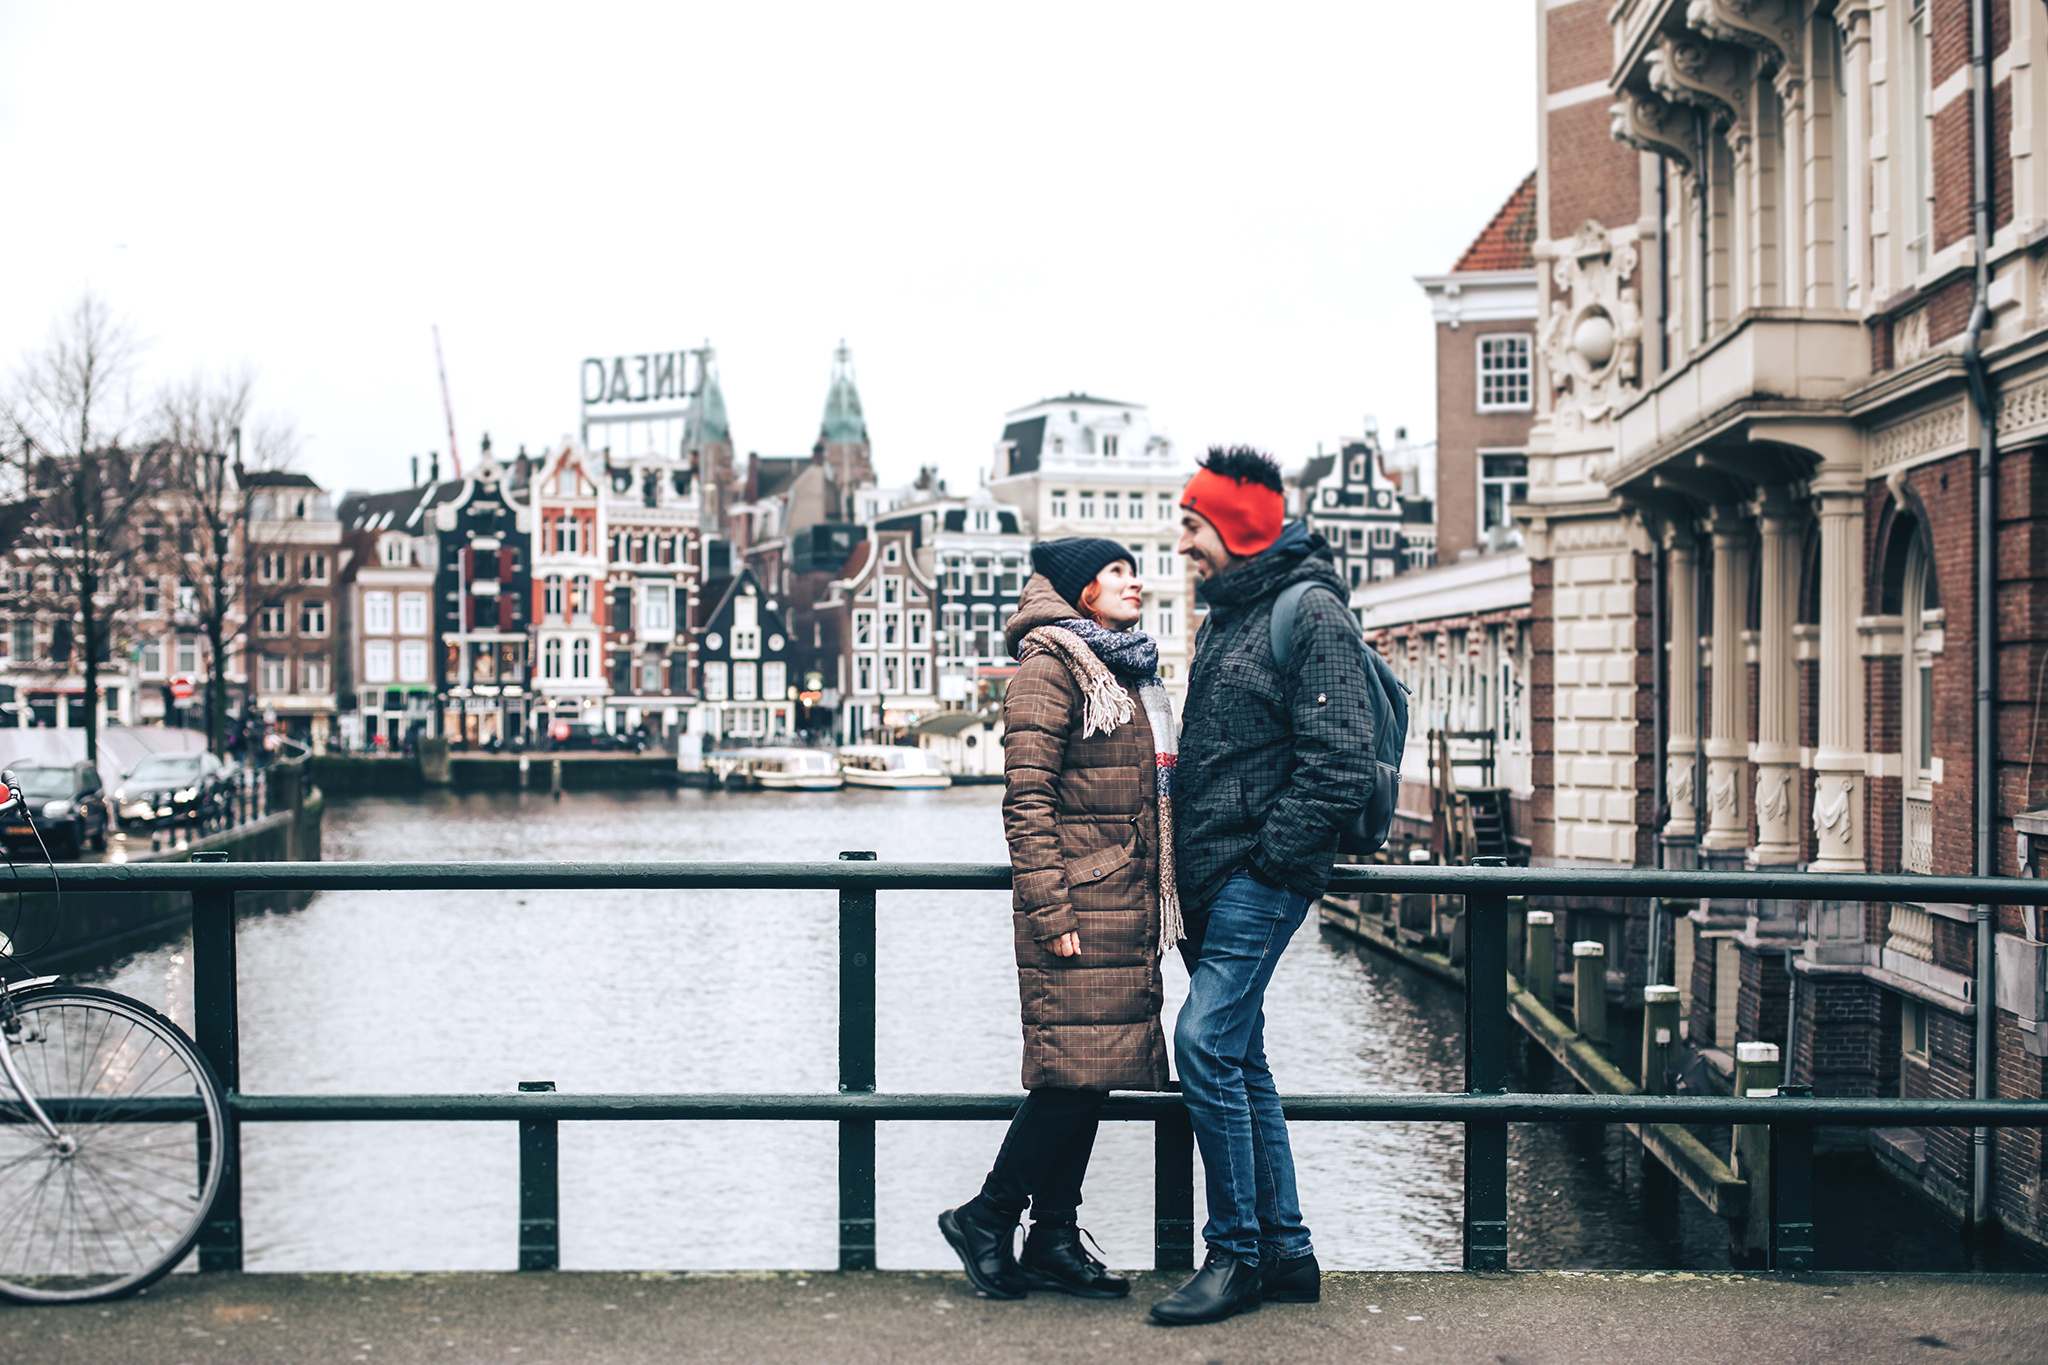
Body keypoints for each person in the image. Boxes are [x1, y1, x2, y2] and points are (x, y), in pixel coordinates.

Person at [1148, 446, 1373, 1327]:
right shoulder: (1229, 616)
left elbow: (1341, 756)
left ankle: (1234, 1253)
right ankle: (1289, 1253)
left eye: (1194, 526)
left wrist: (1268, 863)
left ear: (1237, 528)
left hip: (1256, 876)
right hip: (1215, 879)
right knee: (1240, 1057)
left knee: (1200, 1043)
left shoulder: (1309, 612)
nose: (1184, 545)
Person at [939, 537, 1180, 1301]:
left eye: (1132, 569)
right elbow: (1028, 800)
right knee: (1072, 1080)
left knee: (1094, 1074)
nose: (1133, 581)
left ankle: (1050, 1238)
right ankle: (987, 1215)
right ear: (1081, 591)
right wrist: (1050, 905)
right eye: (1116, 572)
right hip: (1080, 904)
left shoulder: (1120, 666)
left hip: (1123, 901)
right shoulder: (1049, 669)